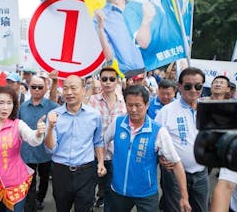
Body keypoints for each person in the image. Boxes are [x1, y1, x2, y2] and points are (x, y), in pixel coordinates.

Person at [104, 85, 190, 212]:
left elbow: (176, 163)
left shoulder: (158, 131)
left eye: (138, 105)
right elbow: (101, 142)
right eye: (129, 105)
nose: (133, 110)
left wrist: (184, 195)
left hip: (146, 193)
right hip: (119, 190)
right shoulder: (118, 123)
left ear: (147, 105)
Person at [45, 75, 106, 212]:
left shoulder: (94, 115)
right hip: (61, 171)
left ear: (83, 90)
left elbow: (98, 141)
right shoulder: (54, 115)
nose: (69, 92)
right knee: (62, 208)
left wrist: (101, 162)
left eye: (73, 88)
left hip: (86, 171)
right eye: (65, 88)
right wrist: (50, 127)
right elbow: (50, 149)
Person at [155, 67, 209, 212]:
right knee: (175, 209)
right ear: (179, 86)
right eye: (188, 86)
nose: (193, 90)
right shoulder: (166, 111)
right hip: (174, 174)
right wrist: (160, 157)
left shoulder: (208, 109)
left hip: (201, 172)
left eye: (198, 86)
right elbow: (156, 141)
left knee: (201, 208)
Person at [88, 67, 126, 210]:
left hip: (114, 154)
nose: (108, 82)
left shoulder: (124, 102)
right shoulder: (92, 101)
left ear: (117, 81)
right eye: (104, 79)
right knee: (88, 191)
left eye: (112, 79)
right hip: (92, 154)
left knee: (110, 192)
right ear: (100, 80)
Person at [19, 75, 59, 211]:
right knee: (29, 182)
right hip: (26, 152)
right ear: (29, 87)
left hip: (44, 152)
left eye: (40, 87)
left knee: (44, 179)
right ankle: (30, 206)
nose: (36, 90)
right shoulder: (22, 107)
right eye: (33, 87)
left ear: (45, 88)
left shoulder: (52, 106)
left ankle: (40, 198)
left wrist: (55, 81)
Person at [123, 0, 184, 70]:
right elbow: (143, 42)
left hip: (164, 53)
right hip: (148, 61)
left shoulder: (163, 3)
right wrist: (146, 20)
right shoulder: (131, 8)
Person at [94, 0, 145, 78]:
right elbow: (108, 57)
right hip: (125, 73)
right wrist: (100, 28)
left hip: (147, 66)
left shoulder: (139, 8)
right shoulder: (101, 16)